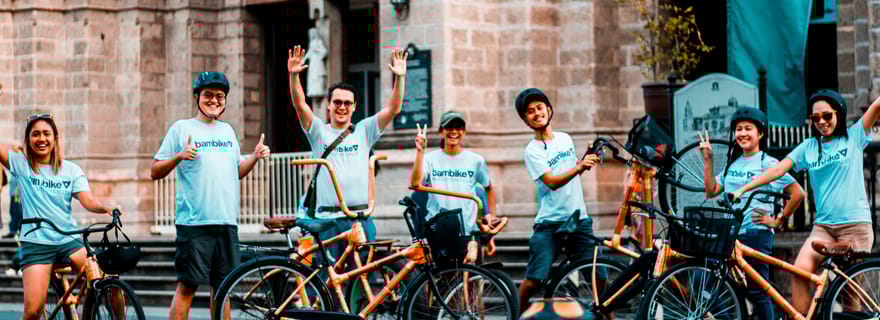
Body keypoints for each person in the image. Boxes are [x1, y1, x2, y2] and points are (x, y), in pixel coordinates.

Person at [731, 90, 879, 314]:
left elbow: (876, 106)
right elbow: (779, 169)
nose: (821, 122)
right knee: (800, 271)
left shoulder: (854, 136)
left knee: (849, 290)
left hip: (855, 226)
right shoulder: (809, 147)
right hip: (823, 227)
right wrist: (744, 188)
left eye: (827, 116)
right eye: (815, 118)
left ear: (838, 113)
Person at [151, 71, 271, 320]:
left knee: (223, 289)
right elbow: (155, 171)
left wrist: (254, 158)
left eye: (220, 96)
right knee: (188, 287)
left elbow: (237, 171)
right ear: (197, 97)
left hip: (227, 224)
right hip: (195, 224)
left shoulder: (228, 131)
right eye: (208, 95)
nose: (214, 100)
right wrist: (179, 156)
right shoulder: (181, 128)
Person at [287, 45, 407, 259]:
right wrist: (294, 76)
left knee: (361, 284)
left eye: (347, 103)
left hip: (359, 219)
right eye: (337, 102)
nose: (342, 107)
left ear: (354, 107)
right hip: (327, 222)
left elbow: (394, 109)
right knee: (328, 284)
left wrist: (400, 78)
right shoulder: (319, 132)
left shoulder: (364, 130)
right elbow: (300, 105)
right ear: (329, 106)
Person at [0, 113, 120, 320]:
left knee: (105, 280)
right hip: (36, 243)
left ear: (55, 138)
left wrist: (105, 207)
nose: (41, 139)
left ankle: (93, 314)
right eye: (35, 134)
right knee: (32, 312)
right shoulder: (21, 164)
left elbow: (88, 200)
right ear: (28, 139)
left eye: (47, 133)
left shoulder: (71, 169)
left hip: (68, 239)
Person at [699, 106, 805, 320]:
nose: (743, 133)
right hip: (731, 235)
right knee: (706, 283)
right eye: (738, 129)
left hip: (756, 233)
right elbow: (711, 191)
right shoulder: (733, 164)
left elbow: (798, 193)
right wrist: (708, 160)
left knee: (758, 291)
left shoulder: (769, 163)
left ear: (761, 133)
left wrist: (778, 221)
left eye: (748, 128)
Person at [513, 88, 602, 313]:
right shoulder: (532, 151)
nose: (536, 113)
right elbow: (551, 181)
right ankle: (516, 315)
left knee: (598, 276)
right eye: (530, 112)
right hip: (549, 224)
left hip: (578, 218)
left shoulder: (565, 138)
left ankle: (608, 316)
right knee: (534, 281)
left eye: (540, 108)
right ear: (525, 120)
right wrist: (578, 167)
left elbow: (570, 172)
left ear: (549, 110)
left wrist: (585, 162)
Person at [409, 111, 500, 263]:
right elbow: (414, 183)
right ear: (441, 131)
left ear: (464, 132)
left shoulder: (476, 160)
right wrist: (420, 151)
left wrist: (491, 217)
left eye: (458, 128)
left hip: (469, 232)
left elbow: (489, 188)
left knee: (473, 281)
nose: (454, 131)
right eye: (449, 127)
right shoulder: (429, 159)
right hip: (439, 231)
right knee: (443, 283)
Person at [4, 171, 22, 238]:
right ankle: (13, 231)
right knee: (13, 212)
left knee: (16, 213)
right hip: (13, 194)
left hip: (17, 195)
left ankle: (16, 231)